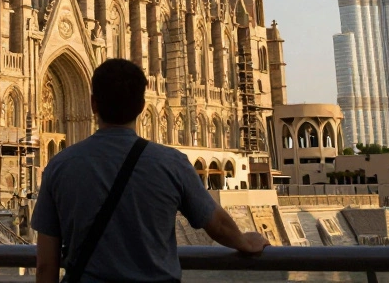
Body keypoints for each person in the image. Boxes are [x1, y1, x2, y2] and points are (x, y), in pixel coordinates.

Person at [33, 58, 267, 283]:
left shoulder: (59, 166)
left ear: (92, 104)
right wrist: (244, 242)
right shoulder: (172, 163)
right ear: (142, 107)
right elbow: (215, 222)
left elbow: (46, 265)